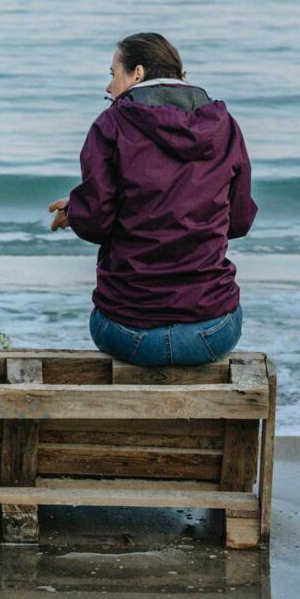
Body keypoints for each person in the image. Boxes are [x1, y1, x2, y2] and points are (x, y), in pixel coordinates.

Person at [49, 33, 257, 367]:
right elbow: (241, 220)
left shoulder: (110, 125)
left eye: (113, 73)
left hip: (128, 332)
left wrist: (76, 212)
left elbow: (97, 223)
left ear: (138, 74)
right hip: (212, 329)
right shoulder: (225, 127)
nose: (108, 86)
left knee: (103, 317)